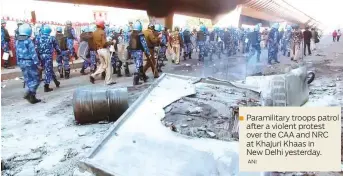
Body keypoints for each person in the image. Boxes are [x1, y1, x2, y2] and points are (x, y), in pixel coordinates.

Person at [16, 23, 42, 104]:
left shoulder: (17, 41)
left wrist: (18, 63)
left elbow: (16, 52)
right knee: (37, 79)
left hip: (21, 62)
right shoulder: (28, 41)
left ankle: (32, 97)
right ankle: (29, 92)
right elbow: (33, 53)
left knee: (28, 79)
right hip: (30, 62)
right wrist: (38, 64)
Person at [90, 20, 116, 85]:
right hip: (104, 50)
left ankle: (93, 75)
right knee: (108, 66)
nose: (104, 26)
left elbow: (93, 44)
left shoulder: (94, 33)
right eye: (103, 24)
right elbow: (104, 43)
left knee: (103, 65)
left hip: (98, 50)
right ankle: (108, 81)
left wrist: (97, 52)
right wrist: (112, 42)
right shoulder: (102, 32)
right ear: (101, 25)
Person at [36, 25, 61, 92]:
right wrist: (59, 52)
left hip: (40, 56)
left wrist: (37, 56)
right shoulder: (51, 38)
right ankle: (46, 86)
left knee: (49, 69)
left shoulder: (38, 38)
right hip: (48, 56)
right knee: (48, 70)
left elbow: (36, 47)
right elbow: (57, 47)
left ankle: (56, 82)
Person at [129, 21, 151, 85]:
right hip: (138, 51)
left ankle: (143, 77)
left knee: (138, 65)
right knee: (138, 66)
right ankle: (135, 81)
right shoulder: (140, 34)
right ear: (140, 27)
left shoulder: (131, 34)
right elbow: (144, 45)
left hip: (132, 51)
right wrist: (148, 53)